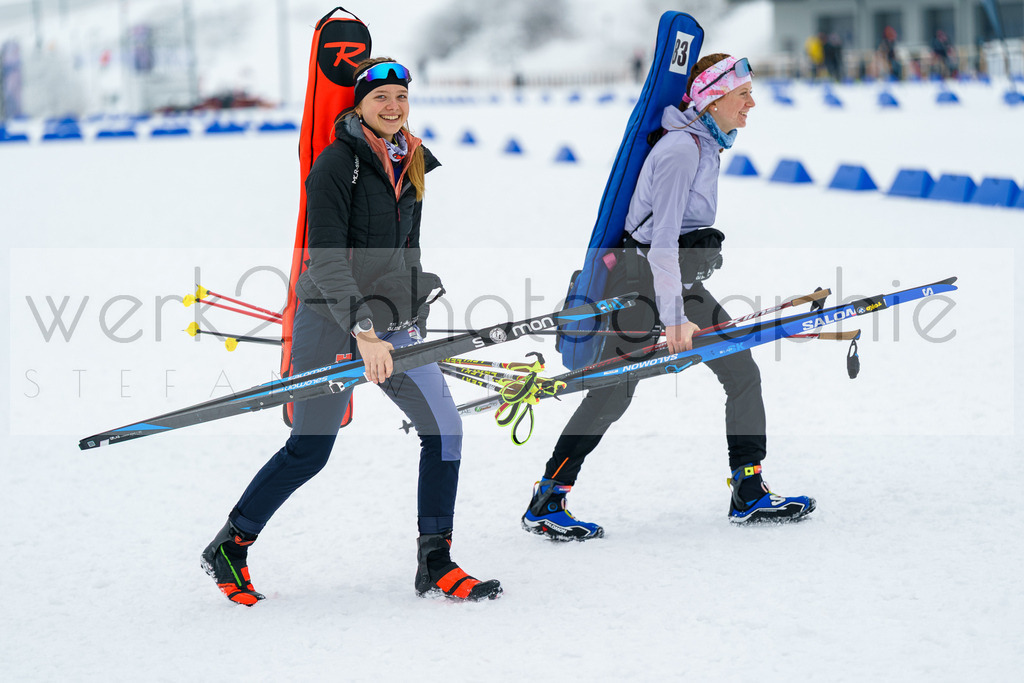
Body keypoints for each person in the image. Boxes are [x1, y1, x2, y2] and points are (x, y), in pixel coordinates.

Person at [201, 57, 502, 604]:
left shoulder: (412, 160)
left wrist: (409, 313)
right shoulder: (336, 164)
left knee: (445, 430)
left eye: (401, 97)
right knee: (310, 449)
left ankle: (435, 561)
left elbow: (408, 250)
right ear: (359, 106)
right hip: (329, 320)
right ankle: (230, 545)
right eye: (380, 97)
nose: (393, 106)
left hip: (389, 322)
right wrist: (363, 331)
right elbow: (325, 259)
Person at [521, 53, 815, 540]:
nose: (751, 103)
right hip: (639, 281)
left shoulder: (705, 143)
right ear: (713, 99)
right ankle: (547, 499)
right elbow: (660, 244)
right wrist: (675, 318)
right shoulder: (682, 149)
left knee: (741, 370)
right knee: (612, 393)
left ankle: (749, 490)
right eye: (743, 94)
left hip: (676, 281)